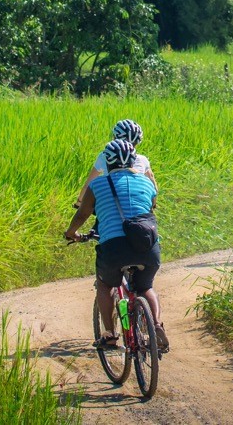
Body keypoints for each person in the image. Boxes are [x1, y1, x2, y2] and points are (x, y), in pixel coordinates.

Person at [64, 139, 168, 353]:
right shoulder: (147, 183)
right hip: (147, 246)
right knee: (146, 287)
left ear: (108, 163)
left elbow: (83, 213)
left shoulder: (97, 185)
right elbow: (152, 205)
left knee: (105, 286)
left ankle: (110, 335)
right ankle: (156, 325)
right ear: (133, 160)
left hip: (114, 247)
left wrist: (71, 233)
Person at [75, 119, 156, 209]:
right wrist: (154, 204)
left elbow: (88, 184)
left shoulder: (105, 156)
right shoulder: (143, 160)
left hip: (112, 204)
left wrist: (79, 202)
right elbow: (152, 182)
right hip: (139, 206)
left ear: (115, 138)